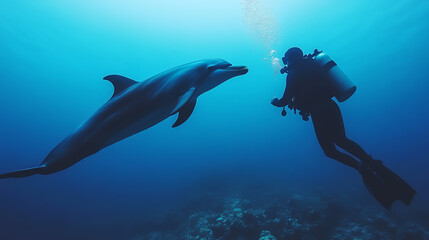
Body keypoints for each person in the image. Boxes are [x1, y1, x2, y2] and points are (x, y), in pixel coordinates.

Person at [271, 47, 416, 210]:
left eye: (286, 60)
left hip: (318, 111)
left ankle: (360, 166)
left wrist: (275, 101)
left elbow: (284, 100)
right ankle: (371, 163)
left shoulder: (293, 73)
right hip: (332, 106)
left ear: (289, 59)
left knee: (329, 150)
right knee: (342, 140)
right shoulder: (315, 64)